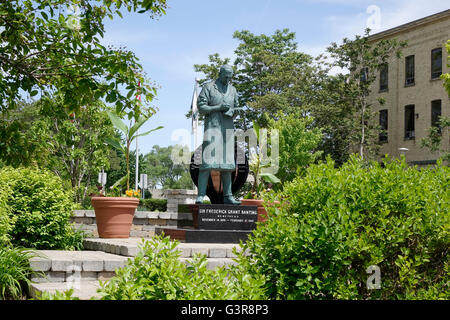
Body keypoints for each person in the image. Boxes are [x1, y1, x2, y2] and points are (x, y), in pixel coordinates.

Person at [195, 65, 241, 205]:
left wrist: (233, 111)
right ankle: (201, 195)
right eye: (226, 76)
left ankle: (228, 196)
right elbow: (201, 107)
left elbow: (237, 107)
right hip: (212, 129)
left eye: (230, 76)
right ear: (220, 74)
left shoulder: (232, 90)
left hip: (227, 130)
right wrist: (218, 108)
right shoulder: (209, 87)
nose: (228, 79)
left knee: (227, 165)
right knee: (207, 164)